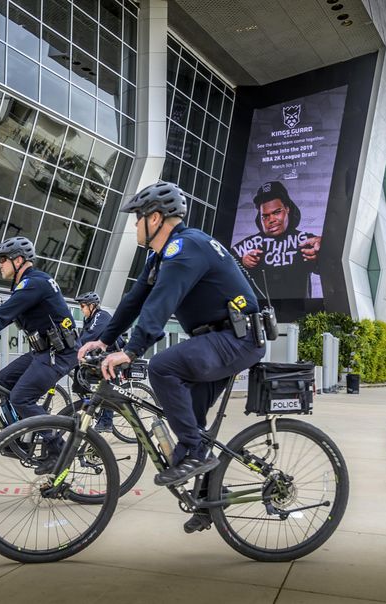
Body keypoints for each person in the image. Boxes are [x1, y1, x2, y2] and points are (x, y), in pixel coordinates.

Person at [77, 181, 266, 527]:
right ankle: (209, 504)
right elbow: (135, 301)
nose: (134, 225)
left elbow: (160, 304)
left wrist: (132, 351)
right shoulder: (161, 255)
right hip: (221, 339)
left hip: (237, 339)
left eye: (137, 218)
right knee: (192, 422)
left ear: (156, 218)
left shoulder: (185, 248)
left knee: (162, 366)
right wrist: (104, 341)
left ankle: (192, 453)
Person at [0, 236, 78, 473]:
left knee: (21, 398)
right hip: (43, 351)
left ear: (18, 260)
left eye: (2, 260)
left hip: (58, 353)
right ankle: (19, 435)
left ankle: (58, 449)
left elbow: (2, 315)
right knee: (4, 379)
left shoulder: (34, 283)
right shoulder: (28, 283)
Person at [230, 181, 321, 298]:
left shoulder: (305, 240)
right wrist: (242, 262)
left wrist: (323, 249)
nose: (271, 219)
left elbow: (332, 266)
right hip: (262, 313)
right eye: (265, 216)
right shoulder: (250, 244)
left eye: (277, 212)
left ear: (287, 209)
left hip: (300, 312)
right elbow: (223, 267)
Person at [74, 291, 124, 432]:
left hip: (113, 356)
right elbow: (83, 337)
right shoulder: (88, 319)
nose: (81, 309)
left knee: (108, 388)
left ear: (92, 306)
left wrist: (76, 349)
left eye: (83, 306)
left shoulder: (101, 316)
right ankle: (89, 409)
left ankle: (106, 422)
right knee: (83, 381)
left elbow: (89, 336)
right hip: (102, 356)